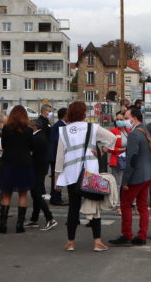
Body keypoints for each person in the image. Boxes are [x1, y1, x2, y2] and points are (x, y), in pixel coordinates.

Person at [55, 100, 116, 252]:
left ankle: (70, 242)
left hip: (71, 174)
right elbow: (112, 137)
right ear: (84, 113)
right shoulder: (92, 127)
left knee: (73, 208)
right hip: (89, 171)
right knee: (94, 207)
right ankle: (97, 242)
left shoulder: (64, 130)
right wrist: (103, 149)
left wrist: (57, 176)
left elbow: (60, 156)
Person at [110, 108, 151, 246]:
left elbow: (131, 159)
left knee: (125, 204)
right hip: (147, 174)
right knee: (142, 206)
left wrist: (125, 180)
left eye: (126, 117)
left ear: (133, 118)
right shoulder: (145, 130)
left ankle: (127, 234)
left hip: (136, 176)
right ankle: (142, 236)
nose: (124, 120)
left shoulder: (134, 134)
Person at [0, 106, 36, 234]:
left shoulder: (6, 129)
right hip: (24, 163)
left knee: (6, 194)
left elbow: (3, 145)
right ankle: (20, 225)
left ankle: (3, 225)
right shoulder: (29, 130)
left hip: (9, 163)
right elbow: (31, 146)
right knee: (23, 194)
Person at [27, 114, 58, 230]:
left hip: (37, 169)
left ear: (34, 127)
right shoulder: (41, 136)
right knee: (36, 193)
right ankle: (34, 219)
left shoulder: (36, 138)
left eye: (30, 127)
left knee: (36, 194)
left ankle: (49, 217)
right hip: (41, 168)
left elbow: (32, 153)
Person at [49, 107, 68, 206]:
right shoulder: (60, 126)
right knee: (58, 177)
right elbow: (58, 141)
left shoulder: (59, 125)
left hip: (55, 155)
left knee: (56, 176)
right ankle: (56, 198)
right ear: (65, 115)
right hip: (57, 156)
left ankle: (55, 196)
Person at [108, 110, 128, 189]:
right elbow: (108, 147)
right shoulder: (112, 131)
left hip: (127, 160)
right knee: (117, 183)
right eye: (117, 119)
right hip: (117, 161)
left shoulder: (128, 131)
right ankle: (115, 200)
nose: (119, 121)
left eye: (121, 119)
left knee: (126, 183)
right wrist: (120, 150)